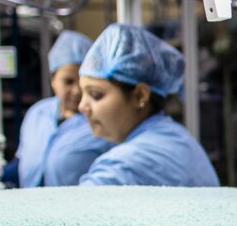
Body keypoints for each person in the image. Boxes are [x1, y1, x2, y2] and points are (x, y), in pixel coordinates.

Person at [76, 23, 218, 187]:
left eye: (96, 95)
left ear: (139, 95)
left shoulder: (124, 167)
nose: (82, 106)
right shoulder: (177, 137)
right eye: (82, 94)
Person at [10, 31, 113, 187]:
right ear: (53, 80)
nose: (77, 90)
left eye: (82, 81)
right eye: (68, 81)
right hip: (29, 206)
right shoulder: (37, 113)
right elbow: (21, 162)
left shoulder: (102, 119)